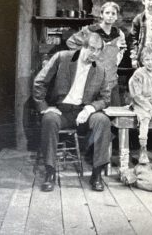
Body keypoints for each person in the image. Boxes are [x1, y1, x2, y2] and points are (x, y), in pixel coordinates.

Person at [33, 32, 112, 192]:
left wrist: (90, 108)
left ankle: (97, 174)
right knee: (49, 119)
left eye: (98, 50)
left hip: (84, 113)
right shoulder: (62, 58)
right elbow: (39, 82)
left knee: (102, 121)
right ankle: (50, 173)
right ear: (83, 46)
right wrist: (44, 107)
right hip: (61, 111)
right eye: (92, 49)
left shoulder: (100, 70)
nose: (95, 54)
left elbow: (105, 98)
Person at [67, 1, 127, 105]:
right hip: (93, 79)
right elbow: (71, 42)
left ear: (117, 16)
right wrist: (85, 56)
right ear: (101, 15)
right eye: (107, 13)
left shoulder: (119, 34)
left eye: (113, 13)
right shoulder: (90, 30)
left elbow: (122, 50)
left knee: (115, 109)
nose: (110, 16)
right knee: (92, 108)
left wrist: (115, 60)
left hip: (111, 79)